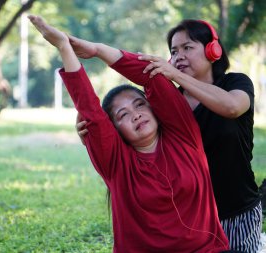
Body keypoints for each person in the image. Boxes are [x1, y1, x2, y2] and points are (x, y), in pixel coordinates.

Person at [28, 15, 230, 252]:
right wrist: (64, 47)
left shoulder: (184, 136)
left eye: (139, 104)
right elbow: (92, 113)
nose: (135, 114)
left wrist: (97, 50)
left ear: (153, 107)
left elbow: (150, 74)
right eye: (122, 115)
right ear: (115, 129)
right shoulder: (116, 164)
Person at [76, 19, 262, 252]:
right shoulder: (170, 103)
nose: (179, 56)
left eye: (187, 47)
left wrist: (175, 75)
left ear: (212, 50)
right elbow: (136, 135)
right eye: (174, 51)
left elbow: (232, 107)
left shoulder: (235, 83)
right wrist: (90, 133)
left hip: (236, 211)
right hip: (190, 223)